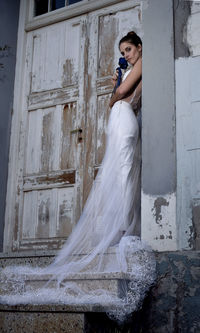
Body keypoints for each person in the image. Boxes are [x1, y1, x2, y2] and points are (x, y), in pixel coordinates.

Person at [0, 31, 155, 323]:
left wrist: (117, 88)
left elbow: (121, 98)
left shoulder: (143, 64)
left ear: (139, 48)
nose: (127, 55)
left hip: (125, 117)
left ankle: (124, 226)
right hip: (121, 117)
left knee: (124, 174)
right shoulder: (132, 71)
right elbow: (120, 99)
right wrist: (116, 88)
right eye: (123, 51)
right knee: (119, 174)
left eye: (129, 49)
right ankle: (121, 225)